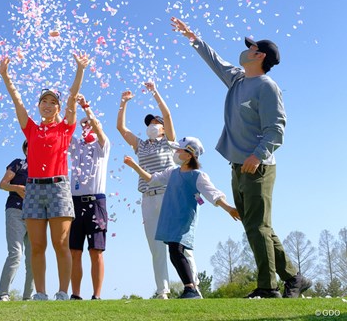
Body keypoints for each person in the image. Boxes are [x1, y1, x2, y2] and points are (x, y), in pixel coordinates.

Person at [171, 16, 312, 299]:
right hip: (238, 165)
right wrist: (193, 37)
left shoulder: (267, 86)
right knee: (256, 225)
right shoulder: (236, 78)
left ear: (259, 56)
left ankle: (268, 287)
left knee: (257, 226)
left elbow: (277, 128)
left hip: (258, 168)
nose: (245, 49)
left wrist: (258, 156)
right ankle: (295, 278)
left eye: (251, 47)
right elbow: (215, 61)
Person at [0, 51, 89, 301]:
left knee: (61, 244)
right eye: (43, 102)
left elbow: (72, 99)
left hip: (58, 188)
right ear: (39, 106)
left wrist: (80, 70)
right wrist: (6, 77)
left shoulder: (64, 128)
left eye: (52, 103)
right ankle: (40, 293)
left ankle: (62, 292)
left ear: (58, 107)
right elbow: (17, 102)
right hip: (34, 189)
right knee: (37, 246)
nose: (47, 105)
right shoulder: (31, 129)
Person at [124, 137, 240, 299]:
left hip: (183, 219)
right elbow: (152, 179)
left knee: (176, 250)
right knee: (174, 252)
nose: (175, 152)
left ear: (189, 155)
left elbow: (213, 194)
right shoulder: (172, 173)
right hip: (170, 218)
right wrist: (135, 166)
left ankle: (191, 288)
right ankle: (190, 288)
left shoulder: (198, 176)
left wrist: (229, 209)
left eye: (179, 150)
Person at [116, 81, 198, 299]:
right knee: (156, 247)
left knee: (180, 242)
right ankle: (163, 290)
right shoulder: (141, 145)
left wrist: (154, 92)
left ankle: (193, 284)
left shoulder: (170, 142)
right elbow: (121, 129)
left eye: (156, 122)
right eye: (149, 122)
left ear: (162, 127)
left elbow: (168, 114)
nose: (152, 125)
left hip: (169, 196)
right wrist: (123, 103)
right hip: (148, 198)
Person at [68, 93, 110, 300]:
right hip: (74, 202)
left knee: (96, 251)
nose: (87, 126)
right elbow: (64, 129)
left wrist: (86, 107)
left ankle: (96, 295)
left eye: (90, 123)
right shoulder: (75, 146)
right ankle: (75, 294)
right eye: (83, 124)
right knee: (75, 251)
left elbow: (100, 132)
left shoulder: (102, 146)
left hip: (96, 202)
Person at [0, 140, 34, 301]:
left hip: (35, 215)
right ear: (25, 149)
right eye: (29, 146)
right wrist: (17, 188)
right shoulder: (18, 163)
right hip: (16, 211)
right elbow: (3, 184)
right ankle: (3, 294)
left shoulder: (44, 168)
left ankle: (29, 296)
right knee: (16, 254)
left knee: (34, 258)